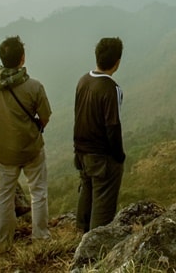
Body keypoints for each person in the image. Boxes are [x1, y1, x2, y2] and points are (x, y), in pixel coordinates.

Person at [0, 36, 52, 252]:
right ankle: (40, 237)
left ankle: (3, 242)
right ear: (22, 59)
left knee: (3, 197)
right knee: (38, 191)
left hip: (4, 152)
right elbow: (45, 116)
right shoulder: (34, 86)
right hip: (31, 148)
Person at [73, 37, 125, 233]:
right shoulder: (112, 89)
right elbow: (113, 126)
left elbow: (77, 116)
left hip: (81, 152)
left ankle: (81, 234)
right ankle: (96, 249)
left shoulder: (83, 80)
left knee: (87, 191)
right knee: (103, 205)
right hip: (102, 157)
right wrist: (119, 157)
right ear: (117, 62)